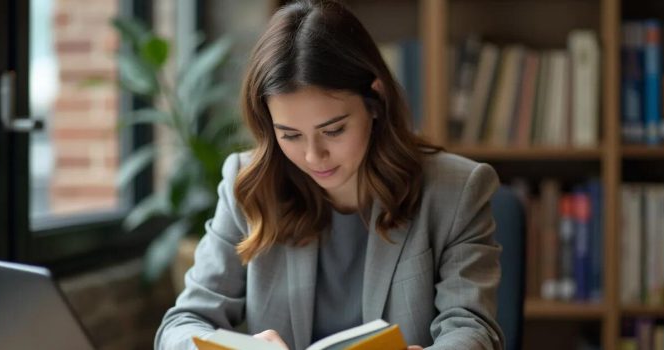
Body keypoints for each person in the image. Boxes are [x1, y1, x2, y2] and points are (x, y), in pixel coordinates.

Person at [155, 1, 504, 349]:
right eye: (290, 135)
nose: (312, 156)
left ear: (375, 100)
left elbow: (473, 328)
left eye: (334, 130)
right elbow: (181, 324)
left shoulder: (456, 190)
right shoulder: (248, 184)